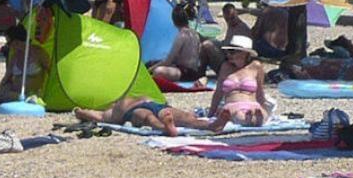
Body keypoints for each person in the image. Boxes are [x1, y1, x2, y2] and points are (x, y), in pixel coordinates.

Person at [208, 34, 271, 128]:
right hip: (232, 105)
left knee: (258, 114)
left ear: (245, 53)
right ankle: (250, 119)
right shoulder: (225, 67)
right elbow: (218, 92)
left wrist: (264, 107)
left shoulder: (256, 66)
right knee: (239, 116)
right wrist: (211, 113)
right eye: (228, 51)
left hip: (252, 103)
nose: (229, 54)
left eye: (233, 52)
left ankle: (255, 117)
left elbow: (260, 92)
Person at [74, 97, 219, 136]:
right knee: (148, 117)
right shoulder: (108, 114)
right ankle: (166, 128)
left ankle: (212, 125)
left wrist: (79, 111)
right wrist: (80, 112)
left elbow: (89, 113)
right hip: (142, 108)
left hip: (150, 105)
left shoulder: (111, 112)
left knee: (186, 117)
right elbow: (92, 115)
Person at [150, 1, 218, 82]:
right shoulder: (194, 33)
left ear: (174, 21)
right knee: (155, 64)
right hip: (192, 70)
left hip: (186, 72)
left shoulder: (182, 36)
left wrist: (150, 70)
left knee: (158, 71)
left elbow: (168, 61)